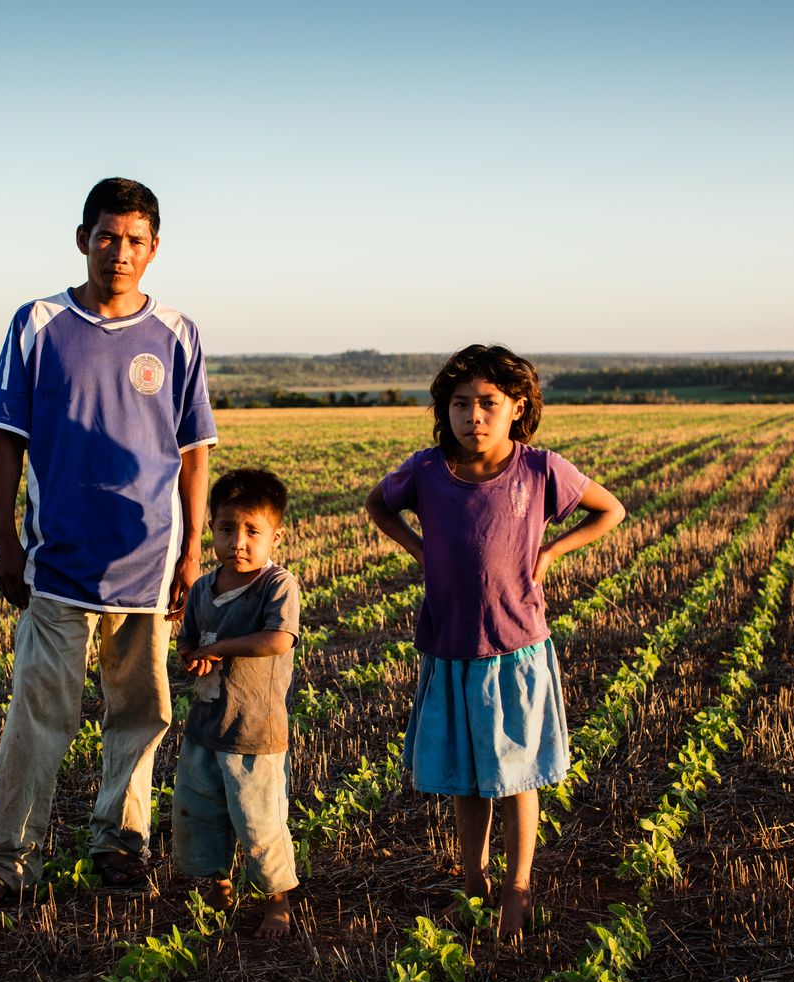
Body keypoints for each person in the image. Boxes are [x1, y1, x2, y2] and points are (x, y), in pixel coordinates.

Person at [0, 177, 216, 898]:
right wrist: (5, 541)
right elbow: (6, 443)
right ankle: (8, 858)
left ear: (155, 248)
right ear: (84, 239)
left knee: (140, 717)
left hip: (149, 563)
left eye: (135, 240)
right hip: (57, 564)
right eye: (107, 236)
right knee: (36, 717)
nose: (120, 252)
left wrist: (193, 552)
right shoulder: (38, 322)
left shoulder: (177, 333)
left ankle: (120, 844)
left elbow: (194, 450)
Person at [364, 345, 624, 941]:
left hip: (515, 649)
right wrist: (418, 550)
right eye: (460, 404)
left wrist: (553, 551)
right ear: (444, 411)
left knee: (517, 777)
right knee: (465, 776)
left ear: (517, 408)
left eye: (487, 404)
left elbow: (610, 509)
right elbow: (378, 503)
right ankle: (473, 878)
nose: (473, 416)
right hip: (451, 648)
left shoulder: (540, 469)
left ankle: (518, 887)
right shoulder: (428, 471)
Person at [173, 469, 301, 939]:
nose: (238, 542)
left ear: (276, 535)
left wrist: (220, 649)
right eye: (227, 529)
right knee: (201, 810)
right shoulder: (204, 588)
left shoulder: (277, 585)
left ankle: (277, 900)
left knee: (259, 821)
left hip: (254, 731)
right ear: (211, 529)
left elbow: (279, 638)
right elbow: (188, 642)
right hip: (205, 725)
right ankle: (219, 882)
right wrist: (193, 658)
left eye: (252, 531)